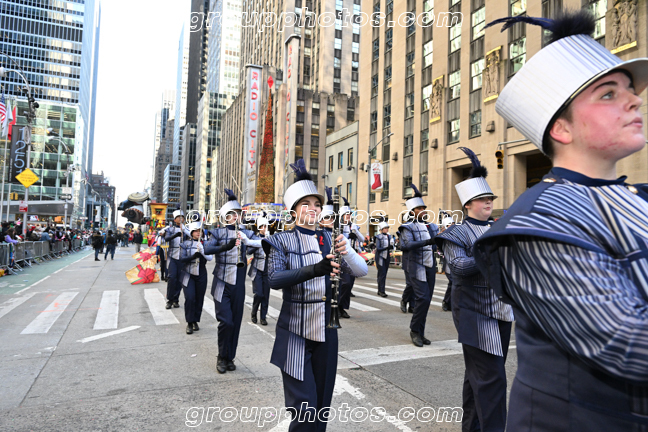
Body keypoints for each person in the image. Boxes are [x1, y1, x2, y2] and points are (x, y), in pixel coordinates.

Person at [472, 11, 648, 431]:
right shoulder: (537, 223)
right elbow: (628, 343)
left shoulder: (638, 197)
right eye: (609, 94)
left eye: (630, 90)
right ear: (562, 130)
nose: (635, 100)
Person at [262, 159, 368, 431]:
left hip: (326, 330)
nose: (313, 208)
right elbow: (274, 279)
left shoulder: (330, 238)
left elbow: (362, 270)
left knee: (321, 406)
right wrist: (314, 269)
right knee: (304, 408)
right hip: (294, 331)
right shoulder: (280, 240)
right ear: (293, 211)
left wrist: (346, 249)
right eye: (306, 204)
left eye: (317, 204)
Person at [435, 147, 513, 432]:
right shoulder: (455, 233)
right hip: (474, 311)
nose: (488, 202)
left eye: (490, 198)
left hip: (503, 311)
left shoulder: (500, 229)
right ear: (468, 204)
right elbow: (458, 268)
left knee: (478, 378)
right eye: (482, 198)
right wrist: (491, 252)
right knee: (492, 381)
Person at [203, 188, 262, 374]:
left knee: (235, 323)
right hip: (221, 282)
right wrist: (226, 246)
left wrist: (250, 243)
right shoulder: (218, 233)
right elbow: (207, 249)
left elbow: (262, 243)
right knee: (226, 322)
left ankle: (230, 357)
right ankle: (221, 356)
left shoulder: (246, 233)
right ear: (225, 217)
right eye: (232, 214)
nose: (235, 217)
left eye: (238, 213)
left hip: (238, 284)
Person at [398, 184, 438, 347]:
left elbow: (437, 244)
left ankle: (421, 332)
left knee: (426, 301)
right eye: (419, 208)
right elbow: (406, 245)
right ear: (412, 211)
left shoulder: (432, 226)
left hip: (430, 265)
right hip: (416, 266)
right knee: (422, 298)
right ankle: (414, 331)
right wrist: (428, 241)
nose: (423, 211)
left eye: (423, 208)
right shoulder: (407, 227)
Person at [179, 221, 212, 335]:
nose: (198, 233)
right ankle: (189, 322)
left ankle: (195, 320)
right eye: (196, 231)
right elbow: (181, 259)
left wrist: (202, 250)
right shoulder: (185, 244)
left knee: (199, 298)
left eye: (200, 231)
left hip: (201, 273)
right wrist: (192, 256)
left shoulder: (206, 243)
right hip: (188, 273)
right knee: (190, 297)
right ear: (192, 232)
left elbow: (210, 258)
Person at [337, 197, 364, 319]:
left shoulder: (354, 226)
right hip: (342, 257)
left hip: (353, 258)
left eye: (349, 214)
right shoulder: (338, 226)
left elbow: (362, 239)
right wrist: (348, 238)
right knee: (345, 283)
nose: (348, 216)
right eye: (346, 214)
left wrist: (355, 232)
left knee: (349, 284)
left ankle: (342, 307)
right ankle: (337, 307)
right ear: (342, 216)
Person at [249, 215, 270, 326]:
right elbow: (248, 251)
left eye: (266, 226)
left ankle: (263, 317)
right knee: (259, 294)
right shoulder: (254, 238)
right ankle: (254, 312)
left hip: (267, 268)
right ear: (259, 227)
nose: (264, 228)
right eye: (263, 226)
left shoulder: (270, 238)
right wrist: (258, 244)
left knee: (266, 294)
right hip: (257, 268)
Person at [165, 210, 186, 309]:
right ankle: (169, 299)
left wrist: (185, 231)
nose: (181, 219)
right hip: (173, 257)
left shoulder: (187, 229)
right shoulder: (170, 229)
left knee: (179, 280)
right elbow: (166, 238)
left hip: (183, 258)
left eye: (182, 217)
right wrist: (175, 235)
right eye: (178, 217)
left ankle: (176, 299)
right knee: (172, 278)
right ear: (174, 220)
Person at [439, 217, 455, 312]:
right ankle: (446, 301)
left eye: (453, 224)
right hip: (448, 262)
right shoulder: (442, 236)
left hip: (457, 261)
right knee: (453, 282)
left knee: (452, 283)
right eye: (450, 224)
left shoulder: (456, 234)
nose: (452, 226)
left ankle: (449, 302)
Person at [374, 221, 392, 298]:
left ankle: (380, 290)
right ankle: (381, 291)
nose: (387, 229)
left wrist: (391, 247)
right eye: (385, 228)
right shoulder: (378, 237)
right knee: (382, 274)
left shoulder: (389, 236)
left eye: (387, 228)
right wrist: (386, 248)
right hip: (380, 257)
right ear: (381, 229)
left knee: (384, 274)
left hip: (387, 257)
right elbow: (378, 248)